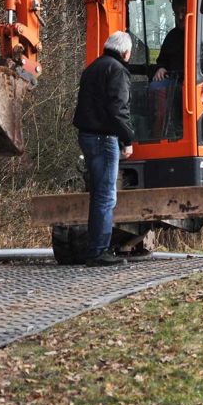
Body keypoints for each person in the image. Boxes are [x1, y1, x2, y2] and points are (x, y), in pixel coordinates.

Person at [72, 31, 135, 266]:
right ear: (125, 52)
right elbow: (118, 109)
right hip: (104, 139)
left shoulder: (93, 67)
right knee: (106, 197)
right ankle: (99, 251)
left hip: (87, 136)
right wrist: (128, 139)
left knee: (98, 194)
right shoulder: (117, 70)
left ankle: (95, 248)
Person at [149, 0, 186, 137]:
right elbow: (162, 59)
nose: (180, 16)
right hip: (172, 81)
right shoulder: (172, 36)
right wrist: (160, 68)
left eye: (183, 11)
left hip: (193, 82)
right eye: (177, 13)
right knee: (156, 87)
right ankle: (158, 134)